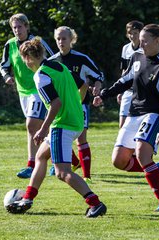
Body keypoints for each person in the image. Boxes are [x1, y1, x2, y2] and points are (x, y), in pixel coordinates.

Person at [7, 37, 107, 217]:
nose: (24, 63)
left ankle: (95, 203)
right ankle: (28, 198)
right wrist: (76, 103)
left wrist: (43, 128)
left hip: (62, 125)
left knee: (62, 173)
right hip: (76, 121)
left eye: (24, 59)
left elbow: (56, 104)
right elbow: (83, 84)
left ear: (29, 58)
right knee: (41, 156)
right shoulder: (60, 66)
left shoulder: (41, 75)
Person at [93, 24, 159, 211]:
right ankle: (155, 169)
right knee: (118, 161)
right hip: (134, 113)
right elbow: (125, 80)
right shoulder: (137, 56)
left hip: (153, 114)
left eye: (145, 41)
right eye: (141, 40)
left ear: (158, 41)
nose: (142, 44)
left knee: (141, 153)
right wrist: (103, 94)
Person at [0, 13, 54, 178]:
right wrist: (7, 76)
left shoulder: (37, 42)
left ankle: (32, 164)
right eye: (14, 28)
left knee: (32, 125)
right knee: (41, 128)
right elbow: (4, 65)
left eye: (20, 27)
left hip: (39, 89)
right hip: (23, 92)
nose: (17, 30)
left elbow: (54, 59)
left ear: (27, 26)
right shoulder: (10, 45)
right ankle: (64, 158)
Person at [48, 26, 104, 183]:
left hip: (80, 105)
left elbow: (98, 75)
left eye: (64, 38)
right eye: (58, 38)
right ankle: (69, 163)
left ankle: (86, 175)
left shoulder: (81, 59)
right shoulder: (52, 62)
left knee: (81, 138)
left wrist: (97, 86)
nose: (60, 42)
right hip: (61, 106)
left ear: (71, 39)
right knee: (57, 136)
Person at [117, 21, 144, 128]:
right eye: (130, 33)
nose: (133, 36)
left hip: (142, 91)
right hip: (128, 90)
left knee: (139, 125)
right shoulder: (126, 48)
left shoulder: (145, 49)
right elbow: (124, 70)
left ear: (141, 33)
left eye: (136, 33)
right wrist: (120, 89)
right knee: (122, 125)